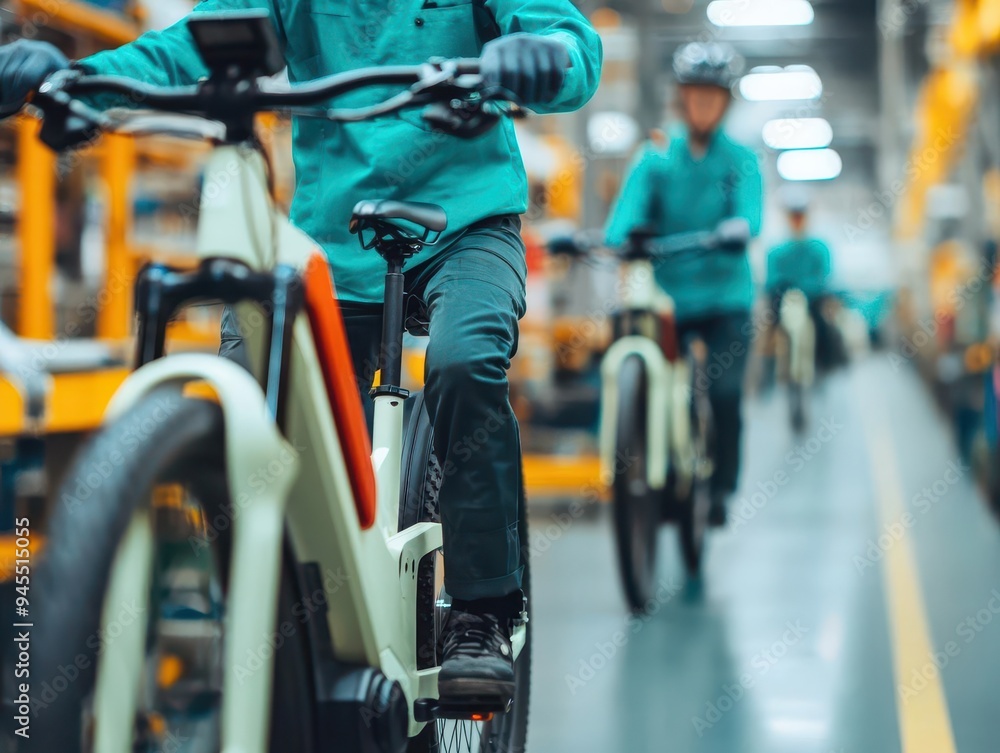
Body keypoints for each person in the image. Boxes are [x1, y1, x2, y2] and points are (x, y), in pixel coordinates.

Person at [0, 0, 602, 704]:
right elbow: (194, 44)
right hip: (334, 237)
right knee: (249, 389)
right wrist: (77, 78)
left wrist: (541, 55)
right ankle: (288, 607)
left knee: (464, 360)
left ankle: (483, 608)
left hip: (469, 224)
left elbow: (568, 41)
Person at [605, 41, 762, 527]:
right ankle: (657, 464)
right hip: (669, 299)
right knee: (649, 374)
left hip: (725, 298)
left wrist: (738, 228)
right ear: (681, 97)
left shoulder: (740, 159)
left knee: (724, 393)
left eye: (714, 96)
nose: (704, 104)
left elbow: (749, 215)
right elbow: (622, 220)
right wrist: (626, 237)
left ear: (726, 102)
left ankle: (721, 486)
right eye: (696, 95)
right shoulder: (655, 155)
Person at [766, 192, 834, 370]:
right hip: (784, 298)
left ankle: (824, 359)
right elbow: (771, 280)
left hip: (812, 299)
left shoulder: (819, 248)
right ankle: (770, 357)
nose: (797, 221)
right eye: (793, 217)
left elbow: (825, 277)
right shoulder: (776, 251)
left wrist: (810, 290)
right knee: (770, 321)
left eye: (800, 216)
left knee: (823, 324)